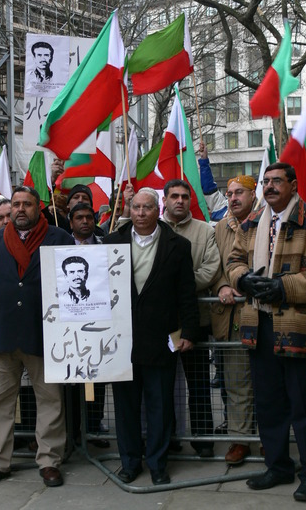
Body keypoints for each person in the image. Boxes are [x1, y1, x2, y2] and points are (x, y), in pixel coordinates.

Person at [0, 186, 73, 489]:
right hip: (2, 334)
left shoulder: (59, 238)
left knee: (50, 402)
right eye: (16, 204)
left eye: (27, 204)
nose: (21, 209)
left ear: (39, 207)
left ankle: (49, 461)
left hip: (43, 335)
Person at [103, 188, 199, 485]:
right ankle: (130, 463)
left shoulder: (178, 245)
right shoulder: (111, 242)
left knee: (160, 407)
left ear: (158, 210)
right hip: (121, 341)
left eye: (147, 207)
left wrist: (189, 333)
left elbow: (186, 294)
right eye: (136, 207)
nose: (141, 213)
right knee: (126, 408)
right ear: (129, 210)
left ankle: (158, 464)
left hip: (161, 339)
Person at [226, 162, 306, 502]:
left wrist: (283, 287)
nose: (270, 186)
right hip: (259, 323)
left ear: (293, 184)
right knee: (269, 402)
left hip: (297, 323)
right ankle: (277, 466)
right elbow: (233, 260)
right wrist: (243, 279)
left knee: (302, 404)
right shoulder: (253, 221)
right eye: (266, 181)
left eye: (277, 181)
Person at [162, 179, 221, 458]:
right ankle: (169, 437)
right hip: (161, 323)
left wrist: (175, 285)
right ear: (164, 199)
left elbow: (210, 269)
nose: (180, 201)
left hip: (195, 319)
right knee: (162, 385)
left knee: (197, 384)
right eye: (174, 196)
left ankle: (203, 440)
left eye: (185, 196)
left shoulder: (204, 230)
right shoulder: (153, 229)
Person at [211, 175, 257, 465]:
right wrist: (221, 286)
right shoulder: (219, 228)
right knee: (236, 383)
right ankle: (241, 439)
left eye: (240, 192)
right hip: (230, 320)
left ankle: (269, 437)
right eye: (229, 193)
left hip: (265, 316)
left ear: (254, 195)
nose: (233, 197)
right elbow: (212, 266)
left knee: (267, 383)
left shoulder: (267, 222)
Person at [68, 202, 108, 447]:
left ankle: (94, 428)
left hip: (97, 323)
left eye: (89, 218)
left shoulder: (105, 246)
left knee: (96, 380)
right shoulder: (59, 247)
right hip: (68, 328)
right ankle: (73, 432)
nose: (85, 222)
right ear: (71, 222)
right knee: (71, 382)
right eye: (79, 218)